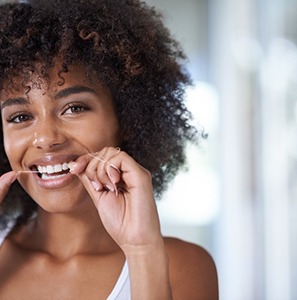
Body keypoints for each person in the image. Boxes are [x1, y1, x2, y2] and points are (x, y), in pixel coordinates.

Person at [0, 0, 218, 299]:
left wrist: (142, 251)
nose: (45, 138)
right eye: (20, 117)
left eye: (74, 108)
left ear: (126, 118)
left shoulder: (182, 266)